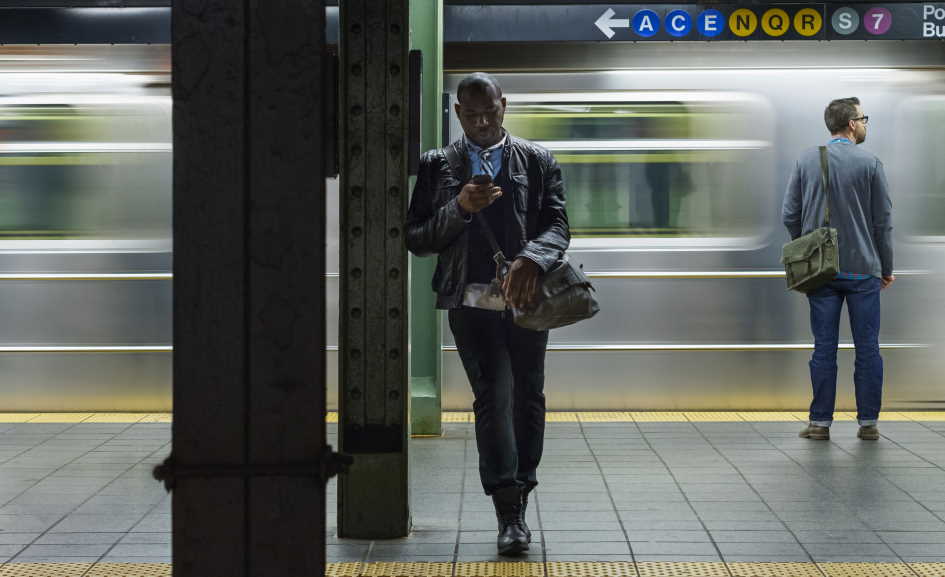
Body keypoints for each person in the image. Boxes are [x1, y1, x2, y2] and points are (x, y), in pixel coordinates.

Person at [405, 73, 569, 556]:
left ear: (504, 106)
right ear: (457, 113)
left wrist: (531, 259)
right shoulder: (438, 167)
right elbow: (416, 238)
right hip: (469, 301)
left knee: (528, 397)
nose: (480, 123)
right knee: (493, 397)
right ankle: (509, 510)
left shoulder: (537, 160)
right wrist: (458, 207)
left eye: (489, 113)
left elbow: (558, 224)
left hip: (526, 300)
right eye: (471, 115)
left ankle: (523, 485)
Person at [782, 97, 894, 442]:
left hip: (821, 272)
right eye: (863, 120)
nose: (864, 125)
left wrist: (808, 246)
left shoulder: (806, 160)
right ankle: (868, 423)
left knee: (824, 347)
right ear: (851, 125)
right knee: (868, 347)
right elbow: (882, 222)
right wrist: (886, 267)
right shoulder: (871, 162)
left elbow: (789, 214)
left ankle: (820, 423)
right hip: (863, 272)